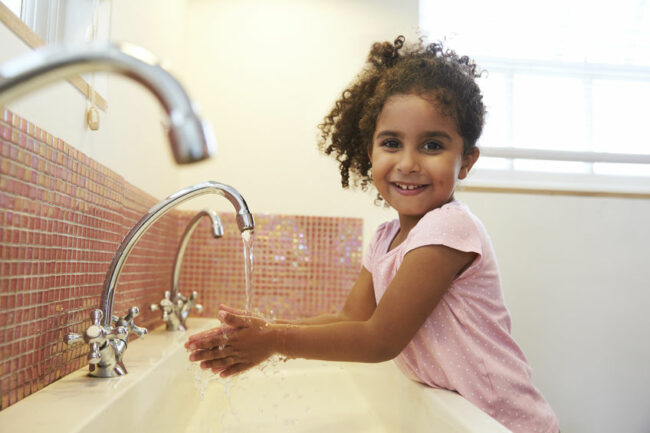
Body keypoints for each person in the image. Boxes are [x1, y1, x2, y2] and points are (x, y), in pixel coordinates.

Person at [186, 35, 560, 433]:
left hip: (502, 421)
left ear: (466, 161)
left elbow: (378, 339)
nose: (408, 162)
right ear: (370, 153)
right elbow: (350, 318)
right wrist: (268, 331)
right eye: (391, 143)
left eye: (432, 145)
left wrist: (276, 341)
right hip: (459, 418)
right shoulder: (386, 238)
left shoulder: (449, 228)